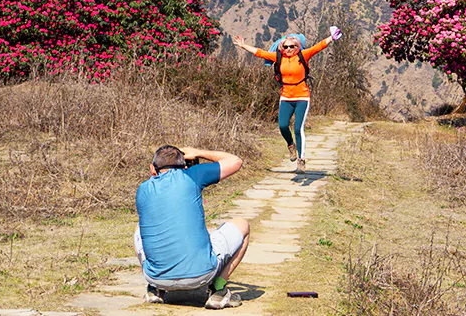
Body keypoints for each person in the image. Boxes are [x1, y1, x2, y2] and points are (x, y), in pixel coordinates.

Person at [135, 145, 250, 309]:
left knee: (139, 229)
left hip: (155, 277)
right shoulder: (191, 176)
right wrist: (198, 153)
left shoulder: (142, 189)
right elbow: (235, 161)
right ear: (185, 165)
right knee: (242, 225)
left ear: (152, 169)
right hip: (201, 275)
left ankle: (156, 289)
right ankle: (218, 290)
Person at [231, 26, 342, 173]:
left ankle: (301, 160)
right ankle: (291, 145)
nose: (289, 49)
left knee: (298, 128)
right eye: (286, 46)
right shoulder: (278, 57)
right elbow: (259, 52)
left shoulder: (304, 55)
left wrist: (331, 38)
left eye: (292, 46)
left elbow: (319, 47)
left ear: (298, 46)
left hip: (302, 96)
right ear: (282, 47)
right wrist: (243, 46)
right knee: (283, 126)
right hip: (286, 97)